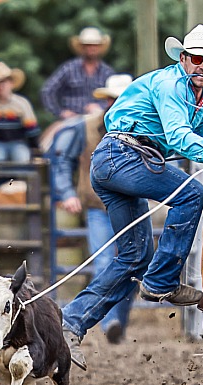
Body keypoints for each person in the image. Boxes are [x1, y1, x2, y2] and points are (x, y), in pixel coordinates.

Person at [61, 24, 203, 369]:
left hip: (118, 160)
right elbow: (181, 135)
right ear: (184, 59)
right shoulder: (171, 85)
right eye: (198, 59)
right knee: (192, 193)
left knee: (134, 256)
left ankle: (71, 323)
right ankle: (161, 281)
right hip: (124, 155)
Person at [48, 74, 134, 344]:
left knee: (132, 266)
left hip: (129, 205)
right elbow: (61, 161)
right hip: (99, 206)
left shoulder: (139, 126)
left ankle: (117, 322)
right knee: (105, 261)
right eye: (114, 99)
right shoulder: (84, 127)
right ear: (107, 100)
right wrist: (67, 192)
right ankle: (110, 321)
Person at [41, 27, 115, 120]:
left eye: (95, 45)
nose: (91, 48)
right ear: (82, 47)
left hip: (99, 119)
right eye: (88, 45)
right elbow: (47, 90)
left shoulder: (107, 72)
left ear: (100, 47)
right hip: (72, 119)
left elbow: (115, 96)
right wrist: (60, 112)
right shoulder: (68, 68)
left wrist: (100, 107)